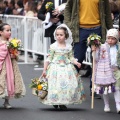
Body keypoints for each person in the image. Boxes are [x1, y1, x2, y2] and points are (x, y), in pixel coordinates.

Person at [64, 0, 113, 99]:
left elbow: (107, 12)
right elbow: (67, 9)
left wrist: (111, 30)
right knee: (78, 59)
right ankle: (70, 86)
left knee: (97, 61)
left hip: (97, 29)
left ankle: (94, 88)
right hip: (80, 30)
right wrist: (70, 25)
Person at [40, 24, 85, 110]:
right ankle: (55, 100)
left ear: (66, 36)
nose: (59, 37)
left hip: (67, 67)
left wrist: (76, 63)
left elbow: (71, 57)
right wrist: (44, 70)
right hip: (55, 68)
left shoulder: (68, 46)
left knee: (67, 84)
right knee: (55, 85)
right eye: (57, 35)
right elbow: (49, 58)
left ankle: (63, 102)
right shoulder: (53, 46)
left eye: (61, 35)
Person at [92, 29, 120, 113]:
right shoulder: (102, 47)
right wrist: (95, 50)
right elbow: (96, 58)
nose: (110, 40)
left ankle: (118, 105)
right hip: (104, 71)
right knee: (105, 89)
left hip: (115, 70)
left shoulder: (118, 47)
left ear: (117, 39)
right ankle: (106, 104)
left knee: (117, 88)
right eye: (109, 38)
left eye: (113, 38)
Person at [0, 23, 26, 109]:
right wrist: (6, 48)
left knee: (9, 80)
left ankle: (6, 101)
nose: (9, 32)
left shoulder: (12, 41)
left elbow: (15, 54)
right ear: (1, 32)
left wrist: (14, 53)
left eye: (10, 30)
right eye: (7, 30)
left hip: (10, 64)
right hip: (2, 64)